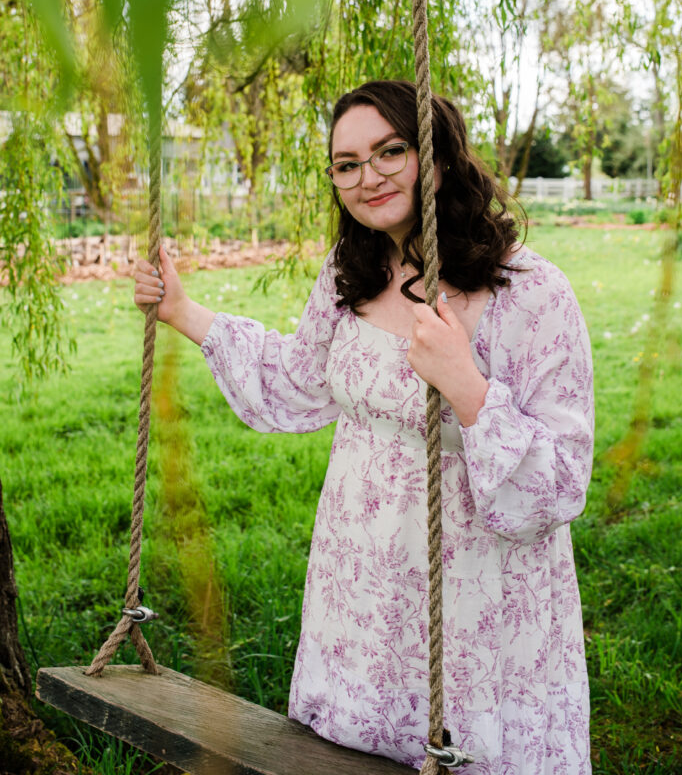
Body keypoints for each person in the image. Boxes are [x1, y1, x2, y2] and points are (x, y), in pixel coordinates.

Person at [134, 79, 594, 775]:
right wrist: (183, 312)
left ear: (436, 158)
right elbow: (297, 382)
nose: (367, 176)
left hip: (473, 606)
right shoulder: (351, 272)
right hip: (359, 594)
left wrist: (466, 386)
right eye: (346, 164)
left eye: (390, 151)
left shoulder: (530, 294)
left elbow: (558, 487)